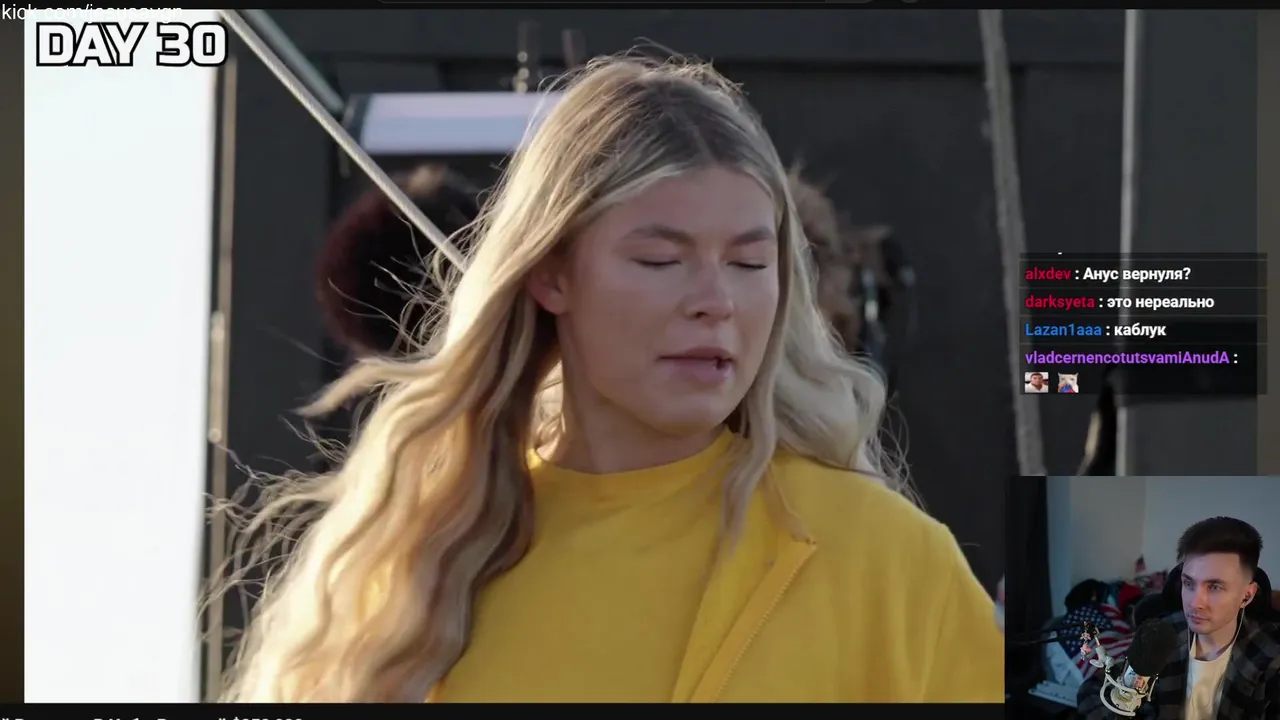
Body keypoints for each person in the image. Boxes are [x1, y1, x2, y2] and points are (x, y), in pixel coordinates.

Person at [215, 54, 1003, 704]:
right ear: (553, 273)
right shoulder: (415, 583)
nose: (716, 302)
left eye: (749, 263)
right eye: (660, 260)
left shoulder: (888, 562)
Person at [1077, 517, 1280, 719]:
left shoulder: (1272, 656)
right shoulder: (1163, 634)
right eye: (1188, 583)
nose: (1195, 603)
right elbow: (1092, 691)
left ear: (1247, 595)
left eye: (1215, 587)